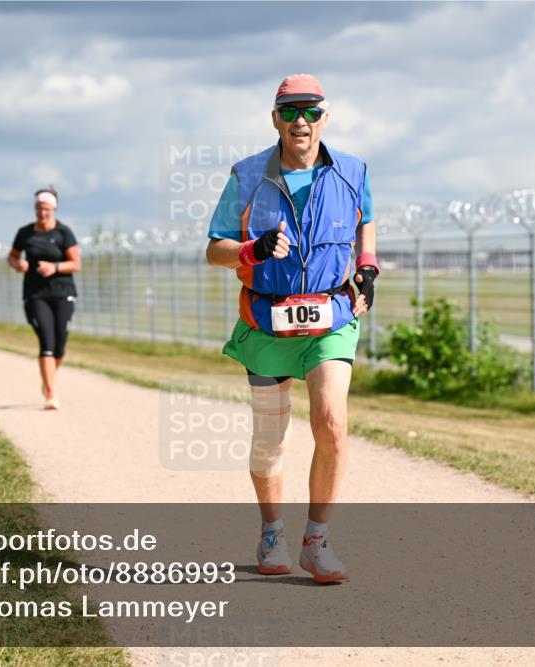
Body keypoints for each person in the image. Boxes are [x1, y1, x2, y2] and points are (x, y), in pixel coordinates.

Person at [205, 74, 378, 584]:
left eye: (310, 111)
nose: (299, 121)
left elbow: (365, 218)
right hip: (266, 322)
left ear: (325, 116)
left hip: (331, 318)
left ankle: (317, 541)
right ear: (274, 118)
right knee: (269, 441)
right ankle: (273, 531)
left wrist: (367, 266)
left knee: (331, 423)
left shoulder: (352, 170)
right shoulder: (247, 175)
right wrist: (250, 251)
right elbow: (214, 248)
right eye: (289, 112)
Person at [7, 188, 81, 410]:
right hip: (35, 294)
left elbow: (76, 264)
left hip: (62, 292)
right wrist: (17, 264)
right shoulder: (25, 233)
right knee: (46, 343)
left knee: (60, 347)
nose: (43, 213)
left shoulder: (64, 233)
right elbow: (12, 257)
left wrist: (55, 267)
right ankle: (51, 392)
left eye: (47, 209)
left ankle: (47, 378)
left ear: (54, 209)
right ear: (35, 209)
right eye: (39, 209)